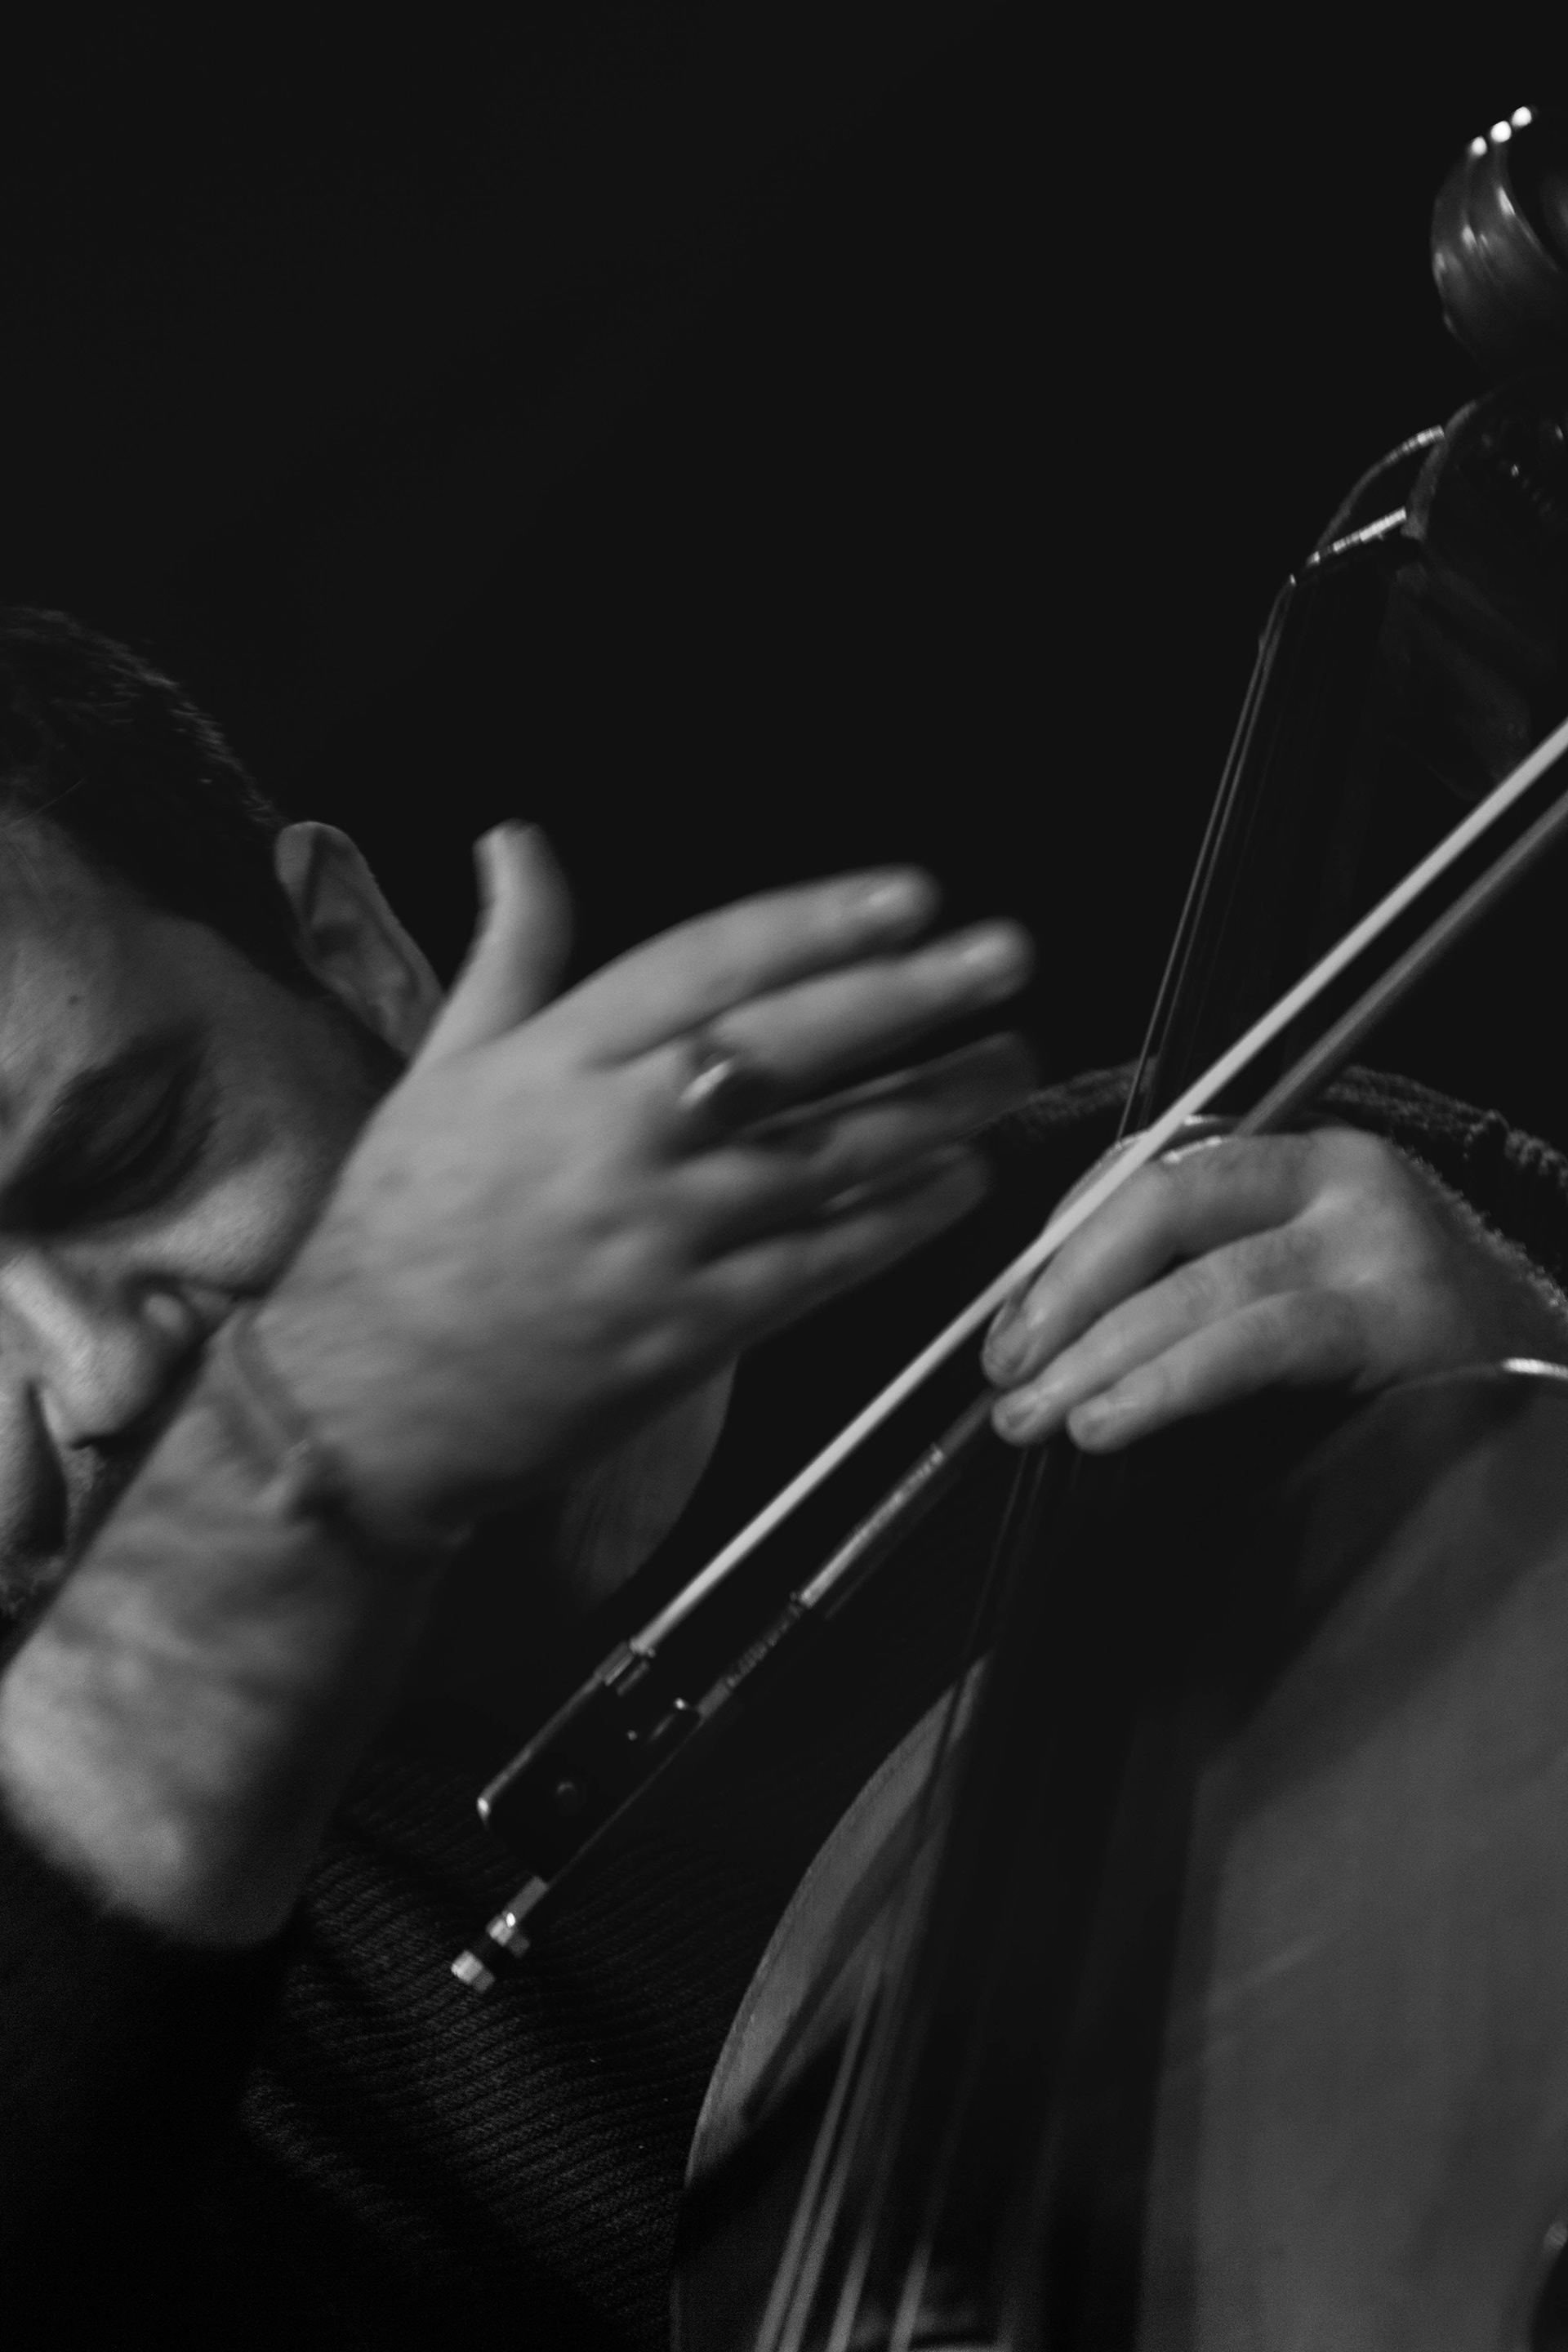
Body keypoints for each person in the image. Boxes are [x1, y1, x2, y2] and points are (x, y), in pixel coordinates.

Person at [2, 608, 1567, 2347]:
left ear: (353, 957)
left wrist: (1537, 1448)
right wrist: (310, 1443)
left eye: (137, 1151)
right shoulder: (113, 2027)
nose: (96, 1376)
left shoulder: (1229, 1210)